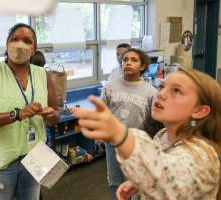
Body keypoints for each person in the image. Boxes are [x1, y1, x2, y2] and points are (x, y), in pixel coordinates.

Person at [72, 67, 221, 200]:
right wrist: (142, 181)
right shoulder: (162, 135)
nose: (161, 94)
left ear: (199, 111)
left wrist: (121, 134)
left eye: (176, 91)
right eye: (161, 86)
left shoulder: (202, 154)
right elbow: (162, 168)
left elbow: (171, 181)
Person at [0, 23, 60, 200]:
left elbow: (55, 116)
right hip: (1, 160)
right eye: (15, 39)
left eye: (27, 40)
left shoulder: (43, 75)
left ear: (34, 48)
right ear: (7, 44)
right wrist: (18, 114)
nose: (20, 44)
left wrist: (51, 115)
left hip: (35, 155)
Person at [101, 48, 160, 199]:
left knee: (135, 184)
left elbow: (154, 122)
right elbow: (102, 113)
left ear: (142, 67)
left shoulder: (151, 92)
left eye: (134, 60)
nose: (128, 63)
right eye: (125, 60)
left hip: (137, 145)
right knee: (114, 181)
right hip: (113, 143)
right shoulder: (110, 86)